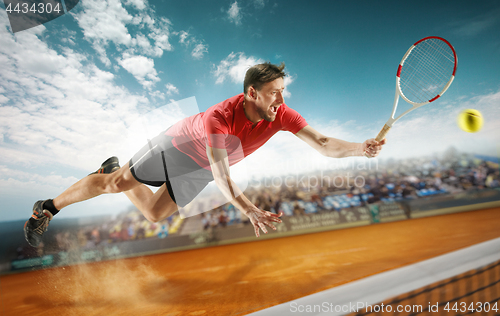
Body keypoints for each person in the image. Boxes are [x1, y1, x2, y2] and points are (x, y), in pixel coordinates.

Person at [24, 62, 385, 247]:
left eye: (283, 91)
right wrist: (249, 210)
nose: (281, 99)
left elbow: (322, 143)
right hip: (176, 148)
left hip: (198, 168)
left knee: (152, 213)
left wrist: (359, 148)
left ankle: (115, 167)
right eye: (274, 92)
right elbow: (222, 174)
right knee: (115, 184)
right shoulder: (220, 118)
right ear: (252, 93)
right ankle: (48, 207)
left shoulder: (281, 115)